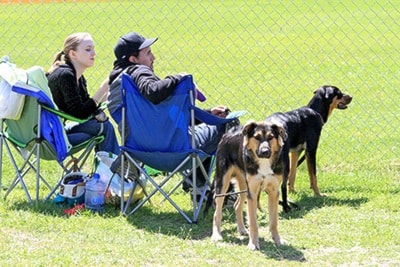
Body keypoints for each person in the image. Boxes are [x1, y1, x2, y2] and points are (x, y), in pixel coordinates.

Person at [108, 32, 230, 191]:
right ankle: (215, 189)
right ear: (133, 59)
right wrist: (178, 78)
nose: (153, 57)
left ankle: (197, 183)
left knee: (208, 124)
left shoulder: (119, 85)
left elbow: (163, 117)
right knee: (228, 124)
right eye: (148, 53)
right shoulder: (139, 72)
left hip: (139, 150)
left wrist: (207, 114)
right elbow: (153, 91)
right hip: (177, 150)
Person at [47, 32, 119, 155]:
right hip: (51, 138)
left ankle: (112, 168)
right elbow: (80, 114)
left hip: (55, 131)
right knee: (104, 127)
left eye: (93, 49)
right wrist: (102, 88)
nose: (94, 53)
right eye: (88, 49)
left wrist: (112, 92)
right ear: (73, 54)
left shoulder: (77, 76)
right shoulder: (65, 76)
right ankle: (115, 170)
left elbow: (86, 108)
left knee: (101, 126)